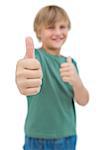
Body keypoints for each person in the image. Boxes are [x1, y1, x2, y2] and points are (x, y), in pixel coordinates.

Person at [15, 5, 89, 150]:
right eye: (50, 27)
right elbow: (26, 68)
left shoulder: (70, 63)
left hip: (66, 137)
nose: (57, 32)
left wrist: (76, 80)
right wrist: (23, 74)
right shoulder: (36, 57)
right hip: (35, 137)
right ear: (39, 31)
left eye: (62, 27)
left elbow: (83, 100)